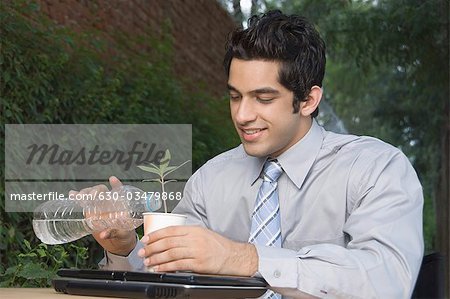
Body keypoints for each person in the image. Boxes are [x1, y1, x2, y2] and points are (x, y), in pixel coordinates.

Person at [75, 10, 424, 298]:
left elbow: (387, 283)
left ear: (308, 100)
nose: (242, 115)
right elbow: (169, 276)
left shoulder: (376, 169)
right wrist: (124, 247)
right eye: (235, 96)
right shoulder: (210, 180)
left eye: (264, 98)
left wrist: (246, 258)